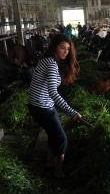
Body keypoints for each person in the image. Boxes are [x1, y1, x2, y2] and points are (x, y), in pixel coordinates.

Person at [28, 33, 82, 178]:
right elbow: (53, 92)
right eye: (62, 48)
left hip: (36, 105)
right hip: (42, 107)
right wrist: (72, 112)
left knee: (53, 133)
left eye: (68, 49)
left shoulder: (46, 60)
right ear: (55, 48)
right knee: (61, 138)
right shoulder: (51, 64)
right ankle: (59, 173)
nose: (66, 52)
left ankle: (49, 164)